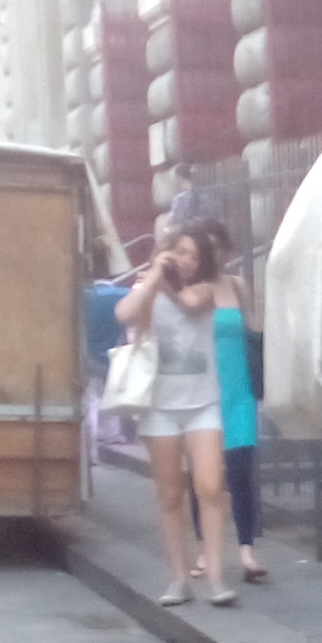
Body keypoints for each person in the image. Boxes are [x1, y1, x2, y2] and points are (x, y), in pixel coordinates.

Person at [115, 224, 233, 607]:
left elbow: (190, 305)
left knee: (210, 487)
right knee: (169, 494)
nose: (186, 260)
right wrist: (152, 276)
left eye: (194, 256)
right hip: (159, 406)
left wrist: (166, 285)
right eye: (180, 252)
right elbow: (124, 313)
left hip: (203, 403)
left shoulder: (207, 289)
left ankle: (215, 578)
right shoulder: (148, 289)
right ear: (168, 251)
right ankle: (179, 580)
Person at [199, 221, 267, 585]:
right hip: (205, 393)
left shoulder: (238, 286)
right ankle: (202, 548)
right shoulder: (194, 291)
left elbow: (251, 332)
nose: (214, 255)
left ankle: (246, 551)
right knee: (203, 476)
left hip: (239, 392)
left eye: (218, 247)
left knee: (241, 472)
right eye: (207, 248)